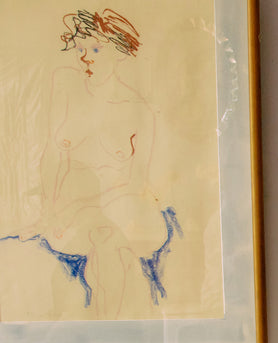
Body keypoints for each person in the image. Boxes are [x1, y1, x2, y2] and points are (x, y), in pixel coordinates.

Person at [6, 9, 179, 320]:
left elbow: (137, 184)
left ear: (121, 52)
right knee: (102, 242)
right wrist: (50, 211)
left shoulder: (137, 109)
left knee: (107, 236)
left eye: (96, 49)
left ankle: (106, 333)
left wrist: (77, 207)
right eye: (81, 48)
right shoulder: (64, 87)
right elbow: (52, 156)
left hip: (126, 207)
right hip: (72, 213)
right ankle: (109, 336)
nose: (85, 57)